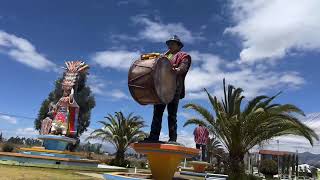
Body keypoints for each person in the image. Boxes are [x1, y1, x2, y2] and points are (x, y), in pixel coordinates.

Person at [144, 35, 192, 143]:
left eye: (172, 43)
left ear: (179, 46)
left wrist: (175, 70)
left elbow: (183, 68)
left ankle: (173, 138)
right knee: (157, 112)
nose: (170, 45)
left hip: (175, 87)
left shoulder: (184, 55)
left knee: (172, 114)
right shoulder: (165, 55)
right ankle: (154, 136)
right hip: (162, 87)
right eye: (169, 44)